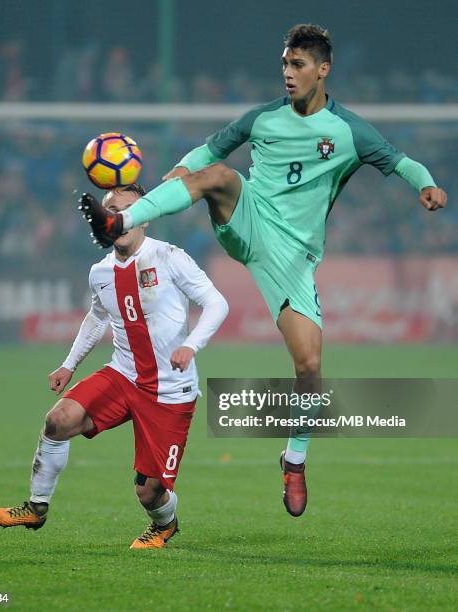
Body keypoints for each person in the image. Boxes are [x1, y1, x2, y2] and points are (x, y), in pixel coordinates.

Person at [79, 24, 447, 518]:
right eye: (284, 65)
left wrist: (426, 185)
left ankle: (294, 460)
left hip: (294, 258)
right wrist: (182, 169)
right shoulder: (262, 119)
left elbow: (401, 162)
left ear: (323, 69)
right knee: (222, 176)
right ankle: (120, 220)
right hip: (250, 219)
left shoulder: (349, 131)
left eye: (297, 66)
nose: (288, 75)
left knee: (310, 367)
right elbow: (210, 152)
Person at [0, 184, 229, 549]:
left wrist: (191, 345)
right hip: (122, 375)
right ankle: (36, 507)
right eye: (112, 211)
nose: (120, 218)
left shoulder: (170, 257)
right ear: (104, 224)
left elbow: (217, 303)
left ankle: (165, 525)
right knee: (58, 420)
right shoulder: (100, 272)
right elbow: (96, 317)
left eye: (129, 210)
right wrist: (69, 364)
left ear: (144, 218)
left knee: (148, 493)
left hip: (169, 390)